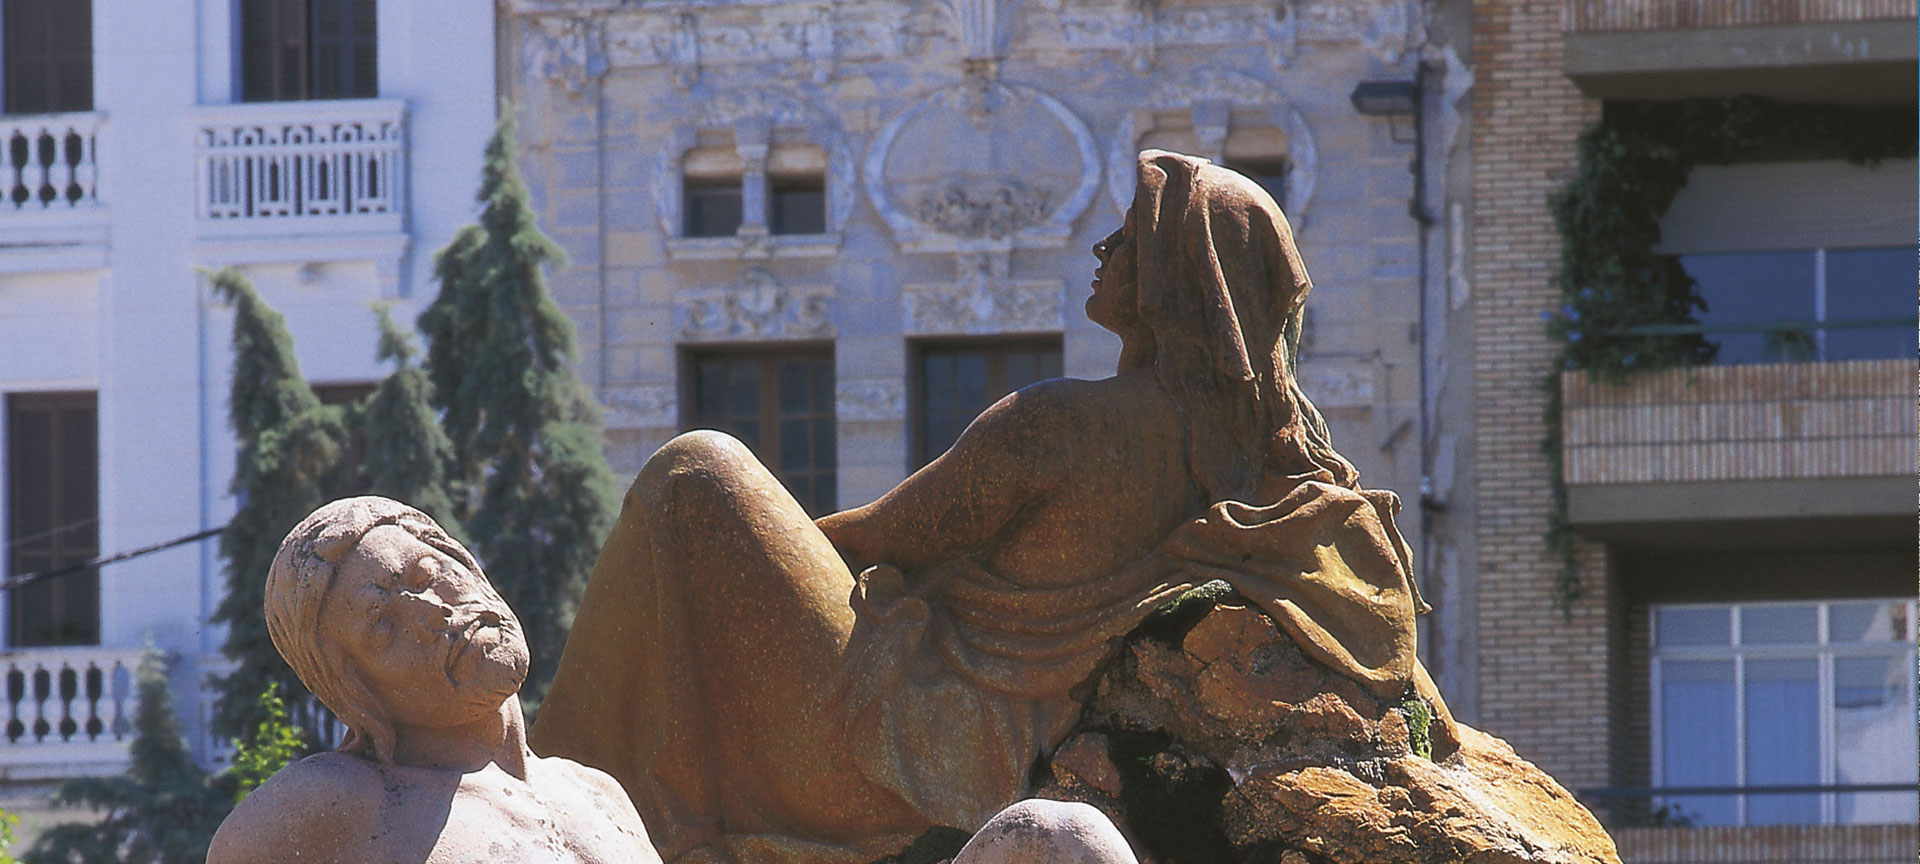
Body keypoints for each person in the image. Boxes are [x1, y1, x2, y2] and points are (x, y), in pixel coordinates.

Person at [529, 150, 1455, 864]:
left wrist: (736, 569)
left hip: (903, 755)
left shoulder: (1061, 424)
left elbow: (872, 540)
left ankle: (536, 796)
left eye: (1129, 239)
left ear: (1177, 277)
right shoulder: (1287, 477)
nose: (1105, 250)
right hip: (1011, 758)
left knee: (698, 476)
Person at [207, 496, 662, 864]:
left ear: (465, 564)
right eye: (383, 628)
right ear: (359, 692)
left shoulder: (600, 794)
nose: (434, 613)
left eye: (425, 573)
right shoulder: (333, 806)